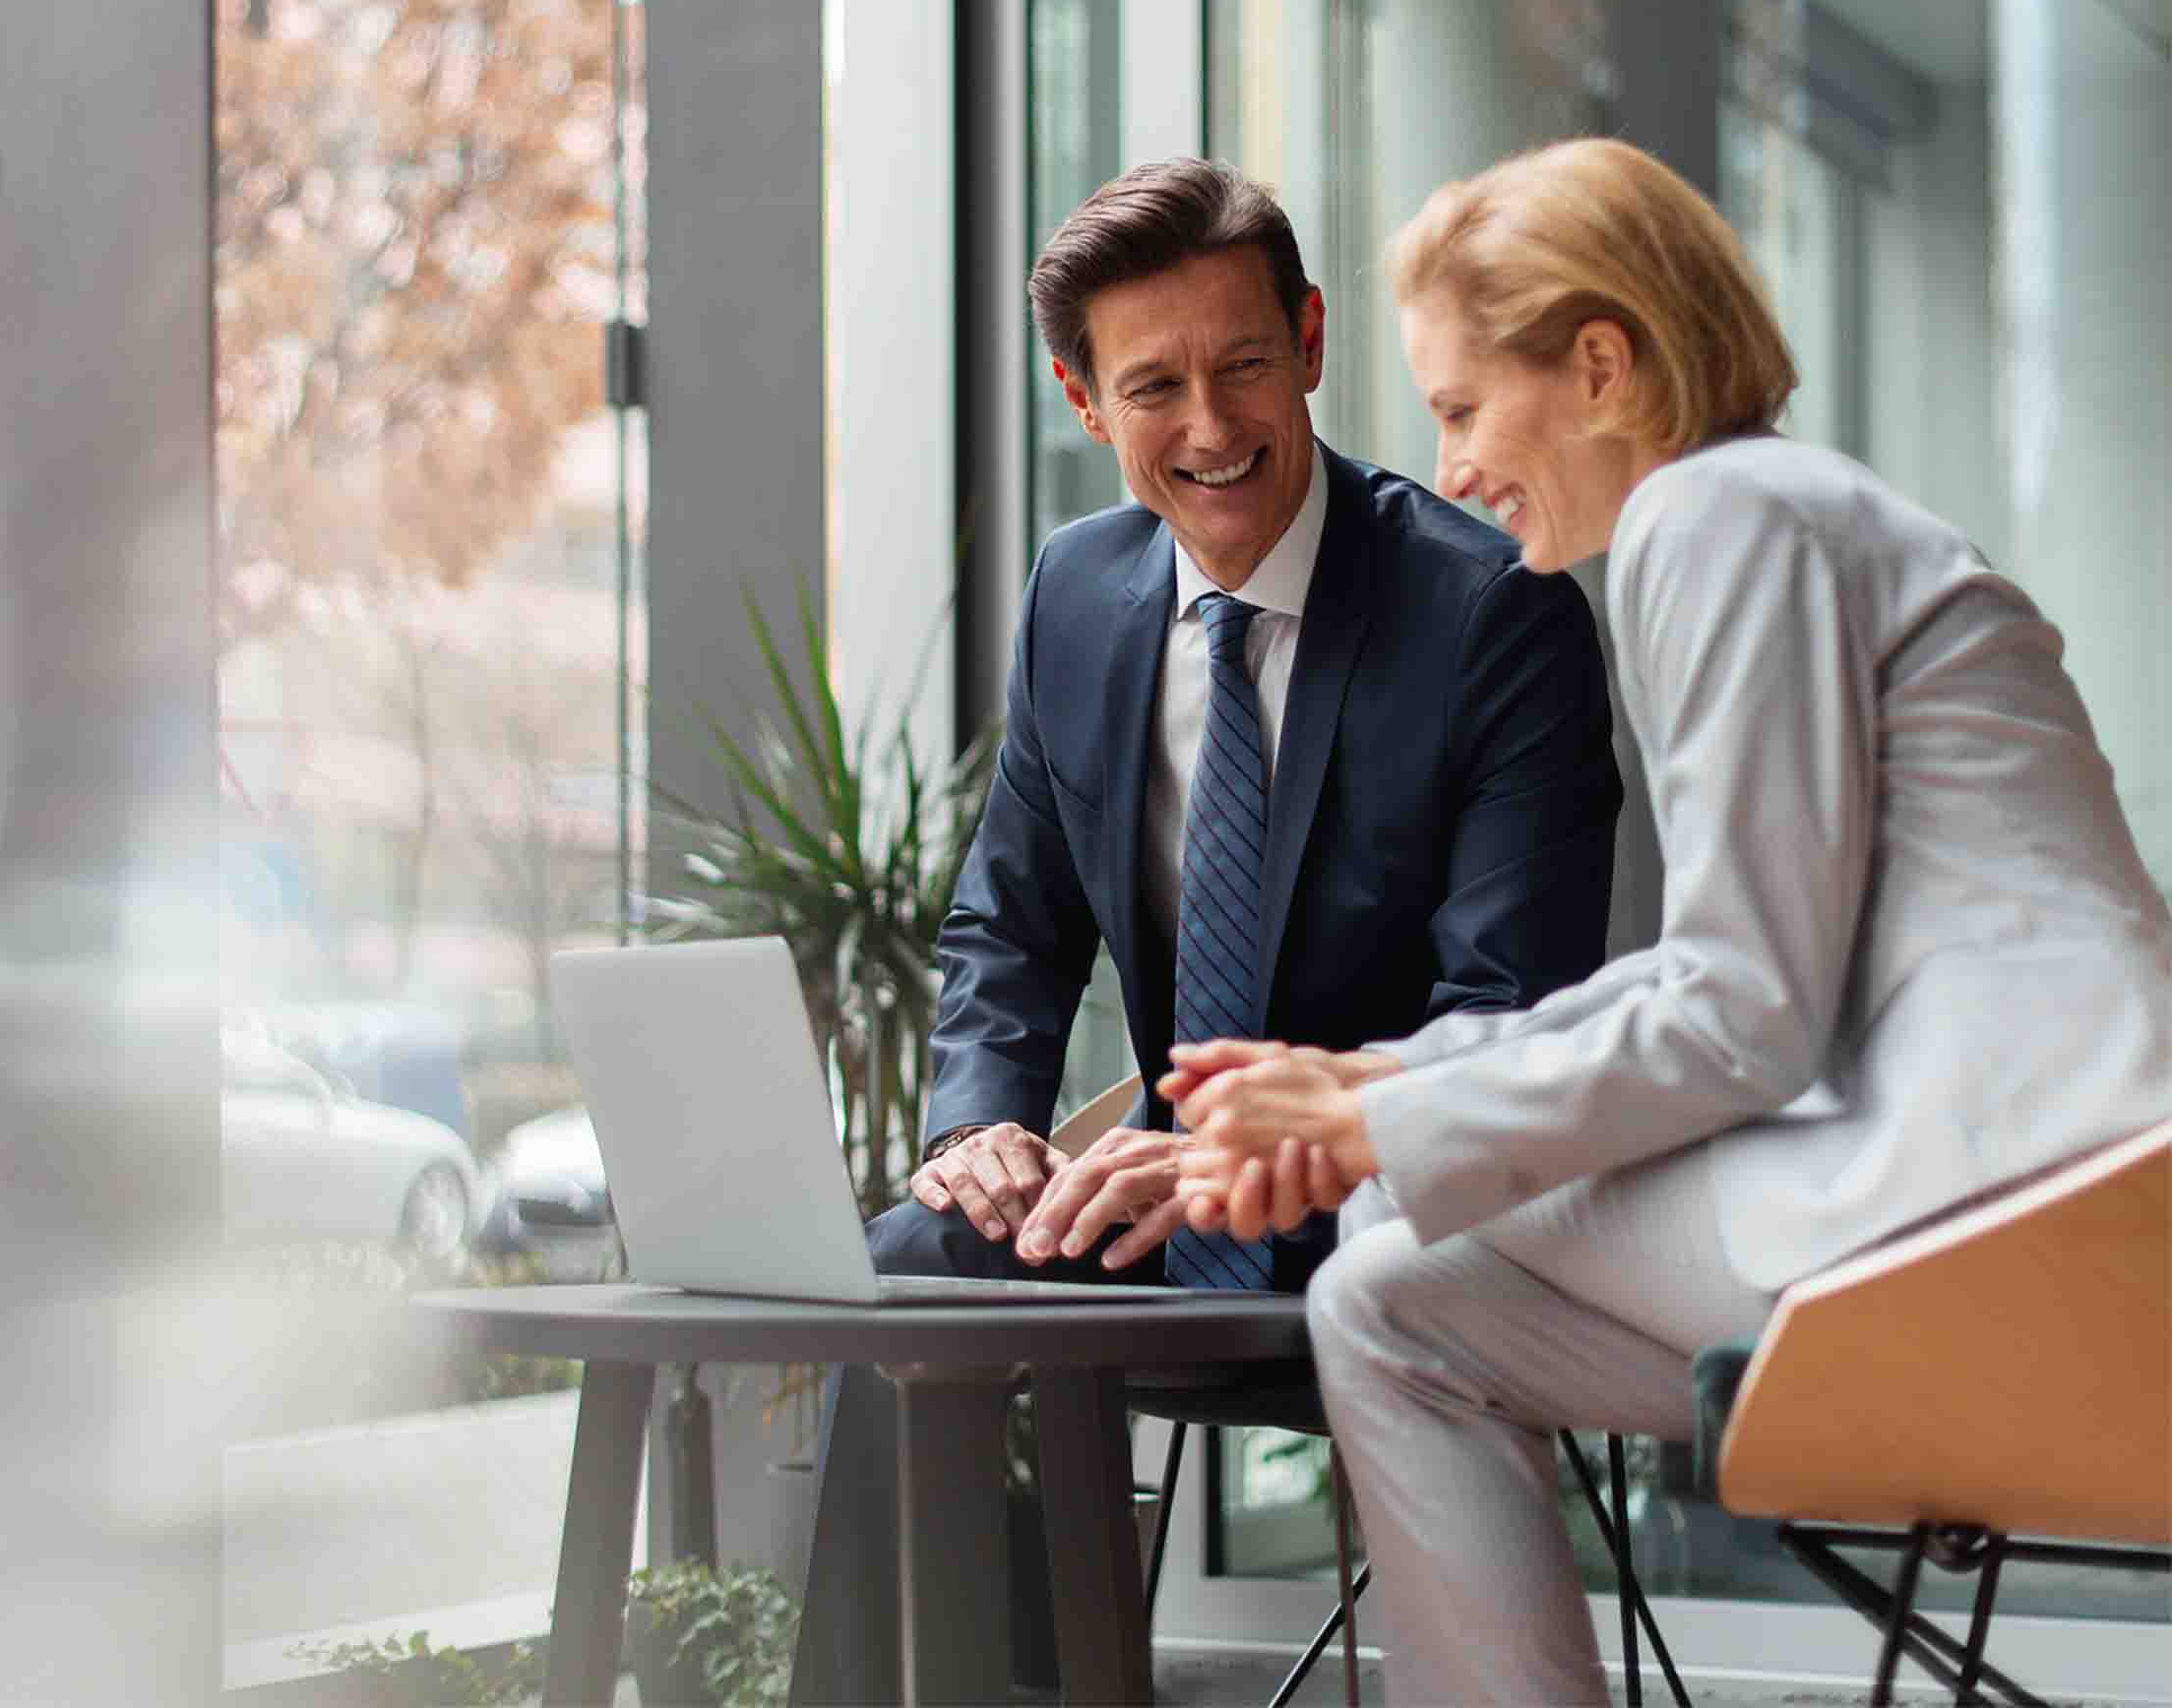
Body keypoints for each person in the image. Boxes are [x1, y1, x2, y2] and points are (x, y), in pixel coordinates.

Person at [1166, 136, 2172, 1706]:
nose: (1451, 473)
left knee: (1389, 1225)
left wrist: (1374, 1130)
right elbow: (1735, 971)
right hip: (2043, 1206)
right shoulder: (1785, 512)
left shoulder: (1720, 516)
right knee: (1388, 1297)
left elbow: (1740, 1016)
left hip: (2022, 1205)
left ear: (1600, 365)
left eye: (1462, 408)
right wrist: (1382, 1084)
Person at [789, 158, 1627, 1702]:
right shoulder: (1076, 594)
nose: (1211, 426)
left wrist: (1261, 1155)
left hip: (1390, 1212)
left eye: (1242, 364)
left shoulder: (1492, 613)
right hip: (1156, 1206)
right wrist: (980, 1131)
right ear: (1082, 400)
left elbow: (1512, 1009)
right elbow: (1010, 929)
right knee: (906, 1268)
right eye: (1153, 387)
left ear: (1309, 340)